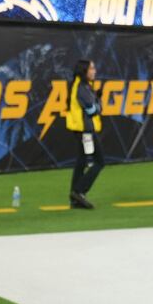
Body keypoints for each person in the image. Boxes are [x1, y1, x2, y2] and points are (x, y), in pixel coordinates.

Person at [65, 58, 104, 209]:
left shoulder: (78, 85)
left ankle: (75, 198)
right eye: (91, 69)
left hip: (81, 129)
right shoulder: (81, 88)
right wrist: (99, 103)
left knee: (81, 162)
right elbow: (93, 111)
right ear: (84, 71)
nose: (94, 71)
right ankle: (79, 191)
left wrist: (96, 98)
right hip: (85, 131)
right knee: (100, 161)